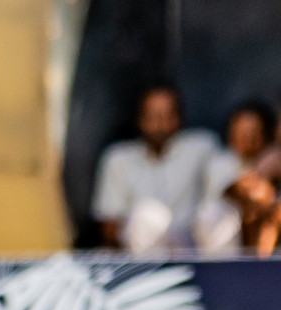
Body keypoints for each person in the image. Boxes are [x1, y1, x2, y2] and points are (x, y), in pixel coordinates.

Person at [92, 85, 218, 254]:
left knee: (215, 212)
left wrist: (267, 159)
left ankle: (225, 276)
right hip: (140, 253)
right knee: (146, 215)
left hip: (191, 247)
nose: (159, 123)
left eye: (167, 115)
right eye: (152, 116)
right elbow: (110, 226)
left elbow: (238, 170)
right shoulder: (118, 158)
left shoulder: (202, 147)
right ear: (140, 119)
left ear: (179, 118)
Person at [195, 101, 275, 253]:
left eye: (254, 131)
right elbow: (242, 194)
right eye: (242, 132)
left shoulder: (275, 159)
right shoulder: (220, 163)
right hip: (229, 249)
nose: (248, 138)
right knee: (213, 214)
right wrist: (263, 170)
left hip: (270, 254)